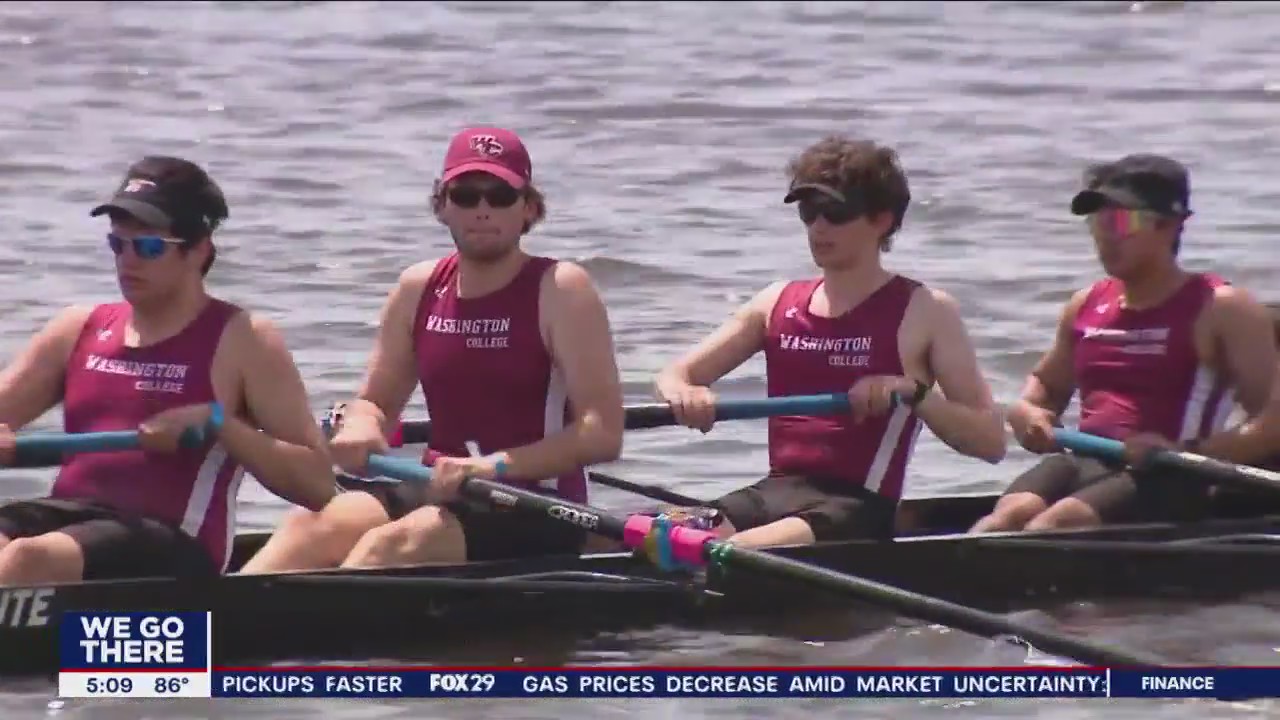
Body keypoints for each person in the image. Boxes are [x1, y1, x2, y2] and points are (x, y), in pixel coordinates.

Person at [242, 127, 624, 572]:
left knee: (393, 546)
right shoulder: (418, 287)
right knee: (310, 525)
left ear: (529, 209)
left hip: (534, 500)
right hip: (438, 488)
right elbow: (375, 403)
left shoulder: (561, 289)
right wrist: (361, 427)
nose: (482, 210)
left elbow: (601, 434)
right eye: (465, 195)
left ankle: (311, 636)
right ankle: (208, 634)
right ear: (442, 206)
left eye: (499, 195)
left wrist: (491, 467)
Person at [653, 135, 1007, 549]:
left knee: (718, 552)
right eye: (809, 211)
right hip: (771, 494)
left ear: (882, 220)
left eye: (836, 212)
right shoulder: (776, 302)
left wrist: (915, 394)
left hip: (853, 510)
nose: (819, 226)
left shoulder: (926, 310)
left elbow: (991, 441)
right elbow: (675, 374)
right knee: (653, 532)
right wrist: (685, 393)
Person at [0, 156, 335, 586]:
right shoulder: (76, 329)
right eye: (117, 245)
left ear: (199, 250)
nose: (128, 261)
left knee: (31, 559)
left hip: (177, 544)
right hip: (74, 519)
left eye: (150, 247)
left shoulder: (243, 339)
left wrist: (219, 425)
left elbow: (317, 483)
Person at [971, 154, 1278, 533]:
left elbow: (1273, 422)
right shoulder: (1086, 303)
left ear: (1169, 224)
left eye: (1120, 219)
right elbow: (1047, 386)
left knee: (1052, 527)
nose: (1105, 234)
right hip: (1085, 461)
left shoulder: (1222, 308)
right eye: (1097, 220)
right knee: (1002, 522)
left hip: (1173, 475)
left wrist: (1190, 453)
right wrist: (1028, 412)